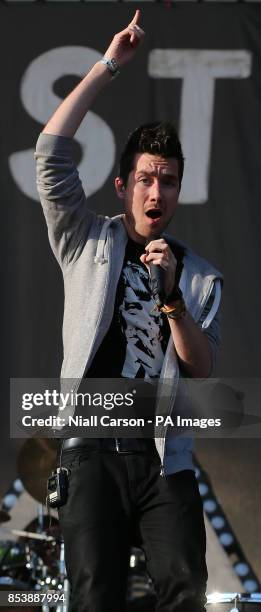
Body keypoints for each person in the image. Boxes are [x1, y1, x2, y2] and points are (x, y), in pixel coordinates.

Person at [35, 10, 222, 612]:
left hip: (163, 453)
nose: (156, 193)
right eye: (145, 179)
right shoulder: (85, 242)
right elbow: (50, 153)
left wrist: (170, 299)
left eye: (168, 182)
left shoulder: (199, 277)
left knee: (185, 589)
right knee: (95, 596)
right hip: (90, 447)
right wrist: (109, 64)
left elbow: (201, 368)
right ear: (122, 187)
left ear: (178, 191)